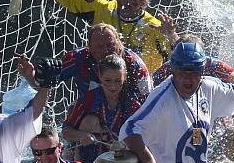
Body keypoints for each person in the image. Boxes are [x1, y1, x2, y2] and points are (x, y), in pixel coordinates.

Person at [33, 0, 175, 75]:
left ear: (143, 0)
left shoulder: (155, 28)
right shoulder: (103, 9)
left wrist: (172, 37)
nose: (125, 3)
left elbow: (181, 59)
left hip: (143, 93)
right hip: (103, 84)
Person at [20, 23, 152, 104]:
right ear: (89, 48)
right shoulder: (78, 58)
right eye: (100, 47)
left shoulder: (135, 64)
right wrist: (30, 76)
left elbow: (148, 100)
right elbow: (45, 84)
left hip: (126, 112)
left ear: (119, 43)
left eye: (110, 45)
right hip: (90, 114)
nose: (107, 51)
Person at [61, 53, 143, 163]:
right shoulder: (88, 99)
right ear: (99, 76)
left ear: (124, 77)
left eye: (118, 81)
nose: (113, 86)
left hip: (123, 157)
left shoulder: (133, 105)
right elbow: (65, 130)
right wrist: (82, 136)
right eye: (108, 80)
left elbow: (146, 135)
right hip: (91, 154)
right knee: (90, 121)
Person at [152, 33, 234, 87]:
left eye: (194, 66)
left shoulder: (214, 66)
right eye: (182, 68)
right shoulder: (165, 70)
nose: (188, 73)